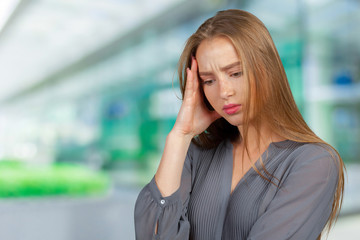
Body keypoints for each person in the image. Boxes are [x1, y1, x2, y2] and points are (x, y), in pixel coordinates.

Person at [134, 9, 345, 240]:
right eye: (209, 80)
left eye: (235, 73)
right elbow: (150, 235)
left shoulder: (313, 162)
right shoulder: (196, 155)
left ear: (267, 70)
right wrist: (180, 136)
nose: (224, 92)